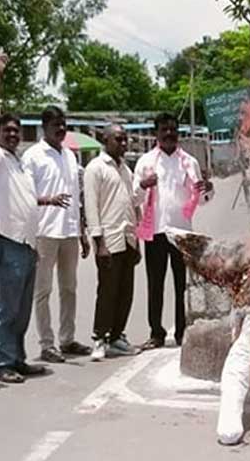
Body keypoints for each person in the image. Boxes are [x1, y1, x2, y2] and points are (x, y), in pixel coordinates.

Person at [0, 53, 50, 383]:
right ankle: (2, 363)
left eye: (16, 130)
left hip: (25, 244)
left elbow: (25, 203)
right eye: (7, 129)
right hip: (5, 242)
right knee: (7, 308)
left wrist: (33, 244)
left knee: (21, 309)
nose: (12, 133)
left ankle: (16, 357)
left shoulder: (17, 162)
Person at [134, 112, 213, 349]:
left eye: (173, 130)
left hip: (182, 234)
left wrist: (208, 189)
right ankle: (156, 333)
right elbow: (134, 196)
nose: (169, 134)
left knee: (183, 285)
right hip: (156, 231)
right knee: (155, 284)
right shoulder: (145, 162)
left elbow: (202, 199)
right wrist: (143, 185)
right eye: (164, 130)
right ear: (156, 133)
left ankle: (181, 332)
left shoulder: (190, 162)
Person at [22, 105, 92, 363]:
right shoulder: (32, 156)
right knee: (43, 291)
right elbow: (25, 195)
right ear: (44, 127)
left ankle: (67, 339)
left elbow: (77, 198)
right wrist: (48, 199)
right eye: (56, 126)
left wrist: (82, 231)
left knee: (69, 288)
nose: (61, 130)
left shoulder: (70, 156)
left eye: (64, 125)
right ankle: (46, 344)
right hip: (44, 232)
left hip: (70, 231)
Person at [85, 123, 140, 361]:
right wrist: (100, 244)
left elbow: (131, 204)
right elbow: (91, 208)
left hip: (128, 238)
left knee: (125, 292)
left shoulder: (126, 170)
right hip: (109, 240)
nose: (124, 144)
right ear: (105, 140)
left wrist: (137, 242)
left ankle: (117, 336)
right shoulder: (95, 168)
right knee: (107, 291)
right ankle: (100, 337)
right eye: (118, 139)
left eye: (125, 139)